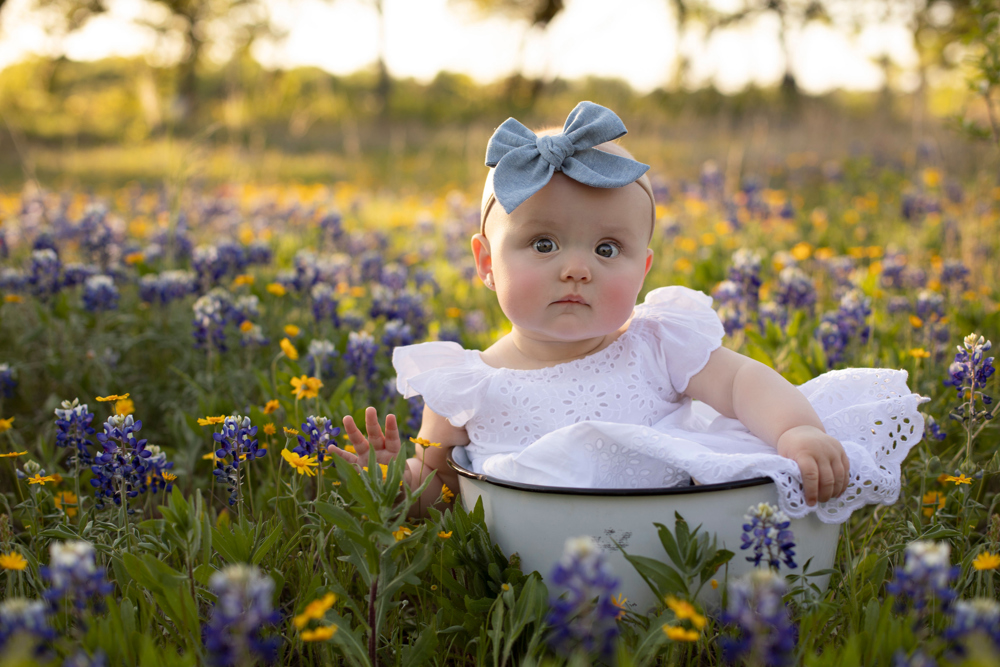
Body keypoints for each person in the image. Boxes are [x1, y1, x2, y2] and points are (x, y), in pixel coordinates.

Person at [327, 101, 925, 522]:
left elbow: (743, 383)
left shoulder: (658, 343)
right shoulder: (462, 386)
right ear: (485, 262)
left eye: (607, 249)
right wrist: (391, 479)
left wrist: (796, 428)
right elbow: (439, 494)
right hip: (534, 570)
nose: (576, 268)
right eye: (543, 244)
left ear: (643, 272)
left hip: (683, 539)